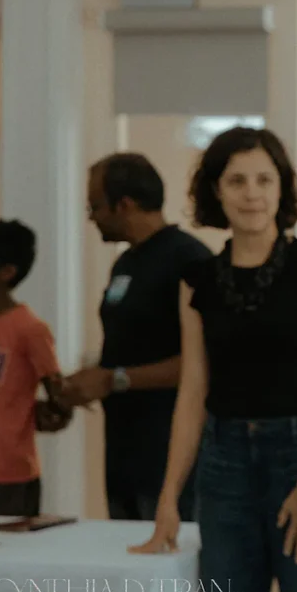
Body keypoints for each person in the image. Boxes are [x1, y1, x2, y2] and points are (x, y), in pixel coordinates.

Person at [130, 127, 297, 592]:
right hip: (224, 470)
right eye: (236, 180)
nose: (252, 192)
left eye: (264, 178)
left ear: (282, 188)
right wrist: (170, 497)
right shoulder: (198, 281)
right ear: (216, 191)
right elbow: (192, 394)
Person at [59, 153, 212, 522]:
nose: (91, 216)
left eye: (94, 206)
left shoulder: (188, 260)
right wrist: (87, 381)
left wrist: (115, 379)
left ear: (124, 204)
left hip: (170, 453)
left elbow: (206, 361)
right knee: (129, 563)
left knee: (171, 570)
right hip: (124, 452)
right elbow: (129, 344)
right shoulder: (125, 263)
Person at [0, 219, 70, 516]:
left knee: (1, 559)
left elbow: (60, 399)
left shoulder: (29, 329)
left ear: (6, 271)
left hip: (7, 477)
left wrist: (51, 412)